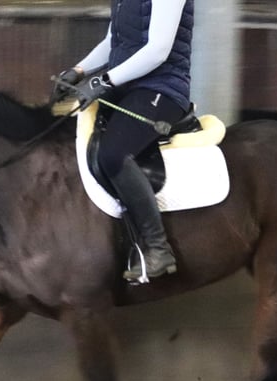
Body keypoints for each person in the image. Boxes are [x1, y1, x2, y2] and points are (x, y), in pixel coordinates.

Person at [52, 0, 194, 281]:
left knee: (113, 154)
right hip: (125, 88)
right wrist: (79, 71)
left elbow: (157, 51)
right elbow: (112, 42)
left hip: (161, 89)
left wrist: (103, 81)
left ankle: (158, 248)